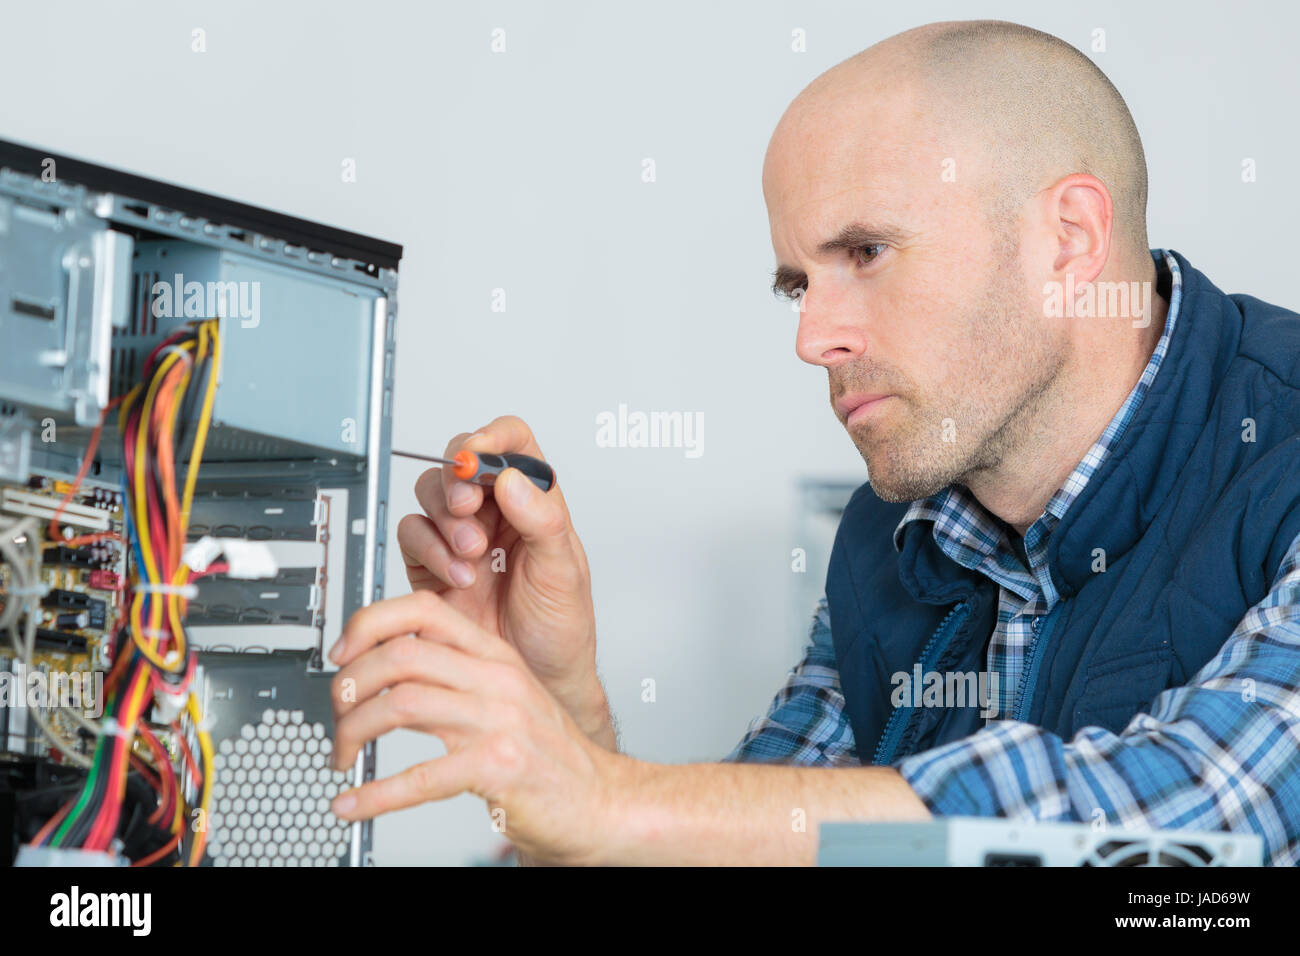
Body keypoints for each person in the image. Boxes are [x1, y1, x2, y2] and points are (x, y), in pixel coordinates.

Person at [326, 20, 1300, 865]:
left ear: (1069, 239)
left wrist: (604, 795)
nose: (810, 338)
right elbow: (741, 844)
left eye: (865, 253)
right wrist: (563, 709)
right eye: (798, 282)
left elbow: (1203, 822)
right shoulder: (893, 535)